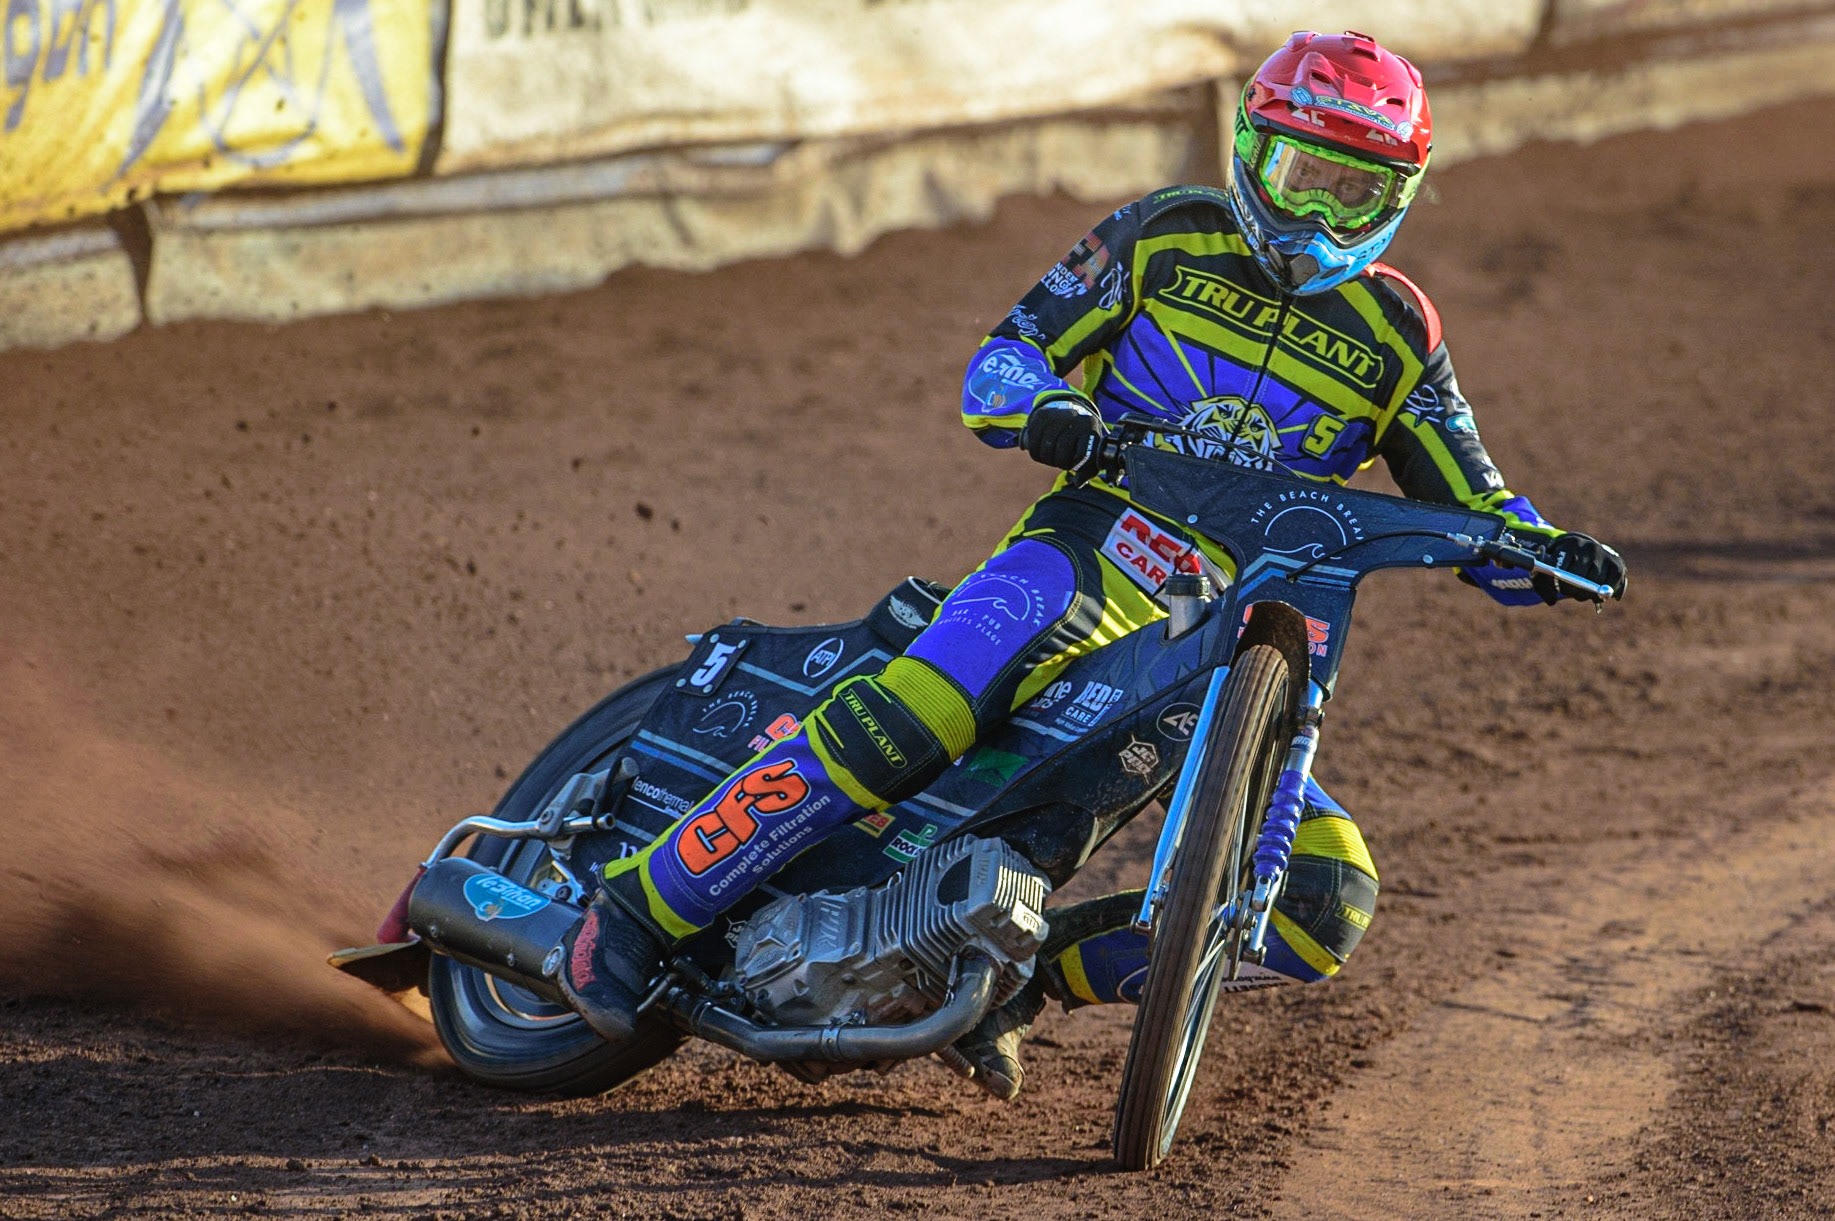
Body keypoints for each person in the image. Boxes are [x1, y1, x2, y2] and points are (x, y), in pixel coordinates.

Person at [555, 30, 1628, 1099]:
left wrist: (1540, 550)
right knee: (926, 705)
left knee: (1320, 901)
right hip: (1086, 549)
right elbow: (1001, 360)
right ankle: (637, 909)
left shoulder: (1397, 330)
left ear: (1398, 196)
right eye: (1302, 175)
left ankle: (1024, 983)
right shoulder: (1163, 233)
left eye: (1350, 193)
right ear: (1250, 154)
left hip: (1226, 625)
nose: (1315, 214)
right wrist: (1046, 407)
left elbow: (1474, 502)